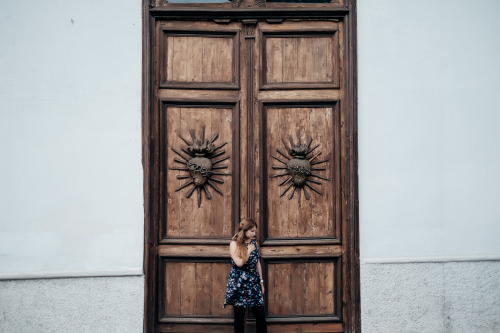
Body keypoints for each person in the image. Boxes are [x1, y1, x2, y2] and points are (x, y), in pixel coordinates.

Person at [224, 218, 267, 333]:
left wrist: (261, 283)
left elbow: (257, 263)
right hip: (239, 282)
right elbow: (239, 263)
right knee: (239, 316)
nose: (254, 233)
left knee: (260, 314)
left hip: (253, 282)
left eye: (255, 231)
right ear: (245, 231)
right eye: (252, 231)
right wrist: (248, 251)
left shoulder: (254, 243)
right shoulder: (234, 244)